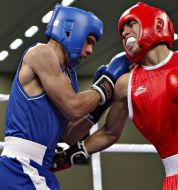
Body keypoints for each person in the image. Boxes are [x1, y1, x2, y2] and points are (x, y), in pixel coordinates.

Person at [53, 2, 178, 190]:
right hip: (173, 177)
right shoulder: (126, 84)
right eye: (122, 30)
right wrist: (69, 156)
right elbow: (109, 133)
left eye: (131, 24)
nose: (125, 32)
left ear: (156, 24)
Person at [0, 4, 132, 189]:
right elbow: (74, 107)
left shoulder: (69, 76)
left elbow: (69, 135)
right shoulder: (41, 53)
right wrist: (107, 82)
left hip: (40, 167)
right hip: (20, 166)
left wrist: (100, 105)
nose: (89, 51)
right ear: (72, 30)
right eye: (89, 41)